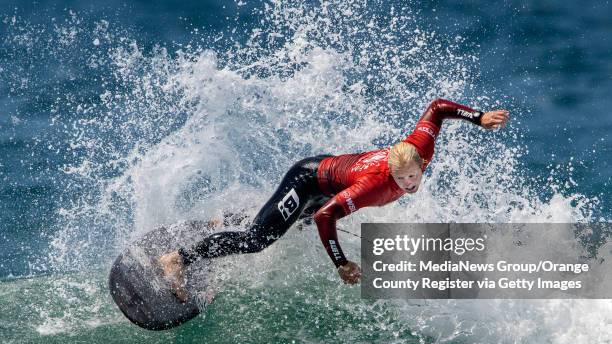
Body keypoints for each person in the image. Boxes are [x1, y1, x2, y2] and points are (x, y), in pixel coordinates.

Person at [159, 98, 510, 301]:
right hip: (308, 181)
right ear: (390, 171)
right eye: (401, 179)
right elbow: (326, 218)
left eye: (413, 177)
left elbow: (437, 108)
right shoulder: (372, 187)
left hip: (330, 180)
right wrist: (341, 263)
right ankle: (179, 259)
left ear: (421, 161)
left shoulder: (420, 147)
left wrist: (478, 118)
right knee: (258, 240)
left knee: (286, 224)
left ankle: (226, 221)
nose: (409, 184)